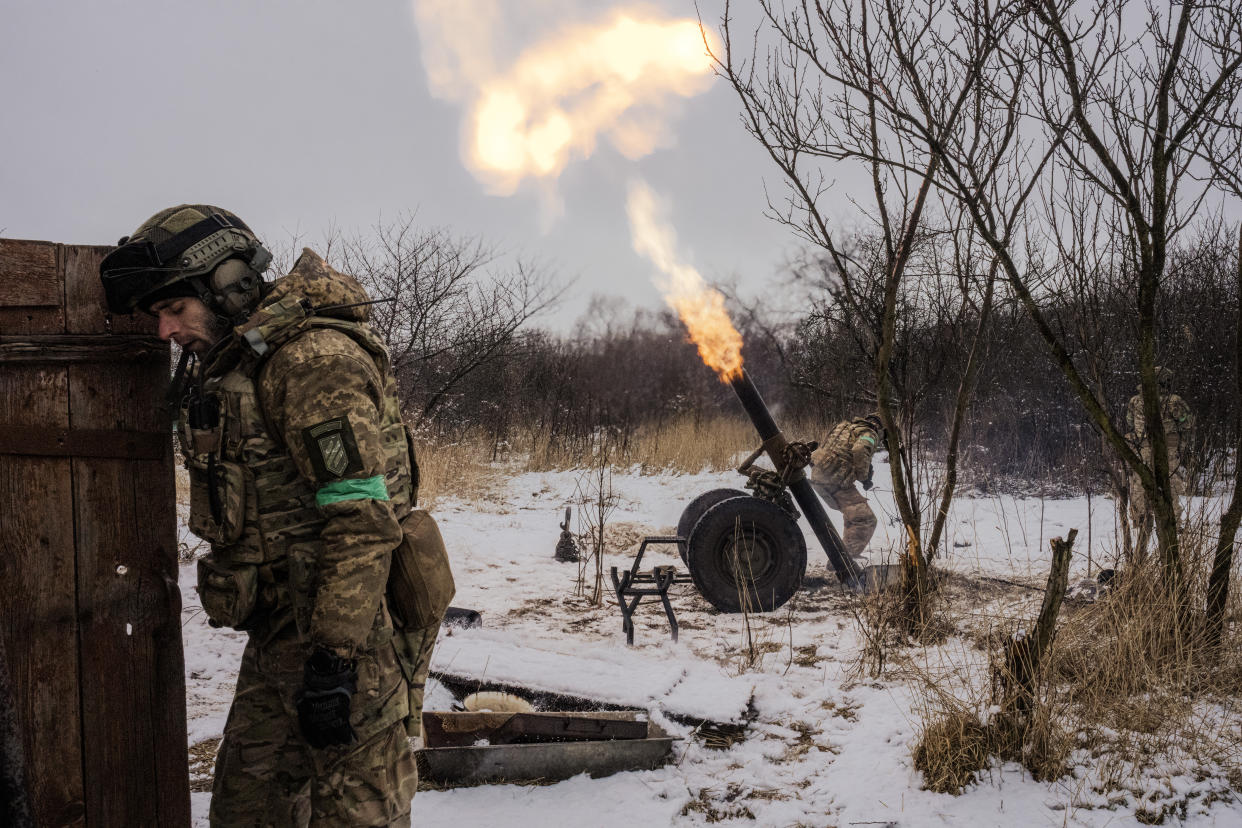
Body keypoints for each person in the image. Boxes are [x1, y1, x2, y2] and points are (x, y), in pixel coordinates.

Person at [99, 205, 449, 827]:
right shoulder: (242, 360)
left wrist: (333, 664)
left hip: (350, 642)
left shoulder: (311, 361)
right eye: (157, 316)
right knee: (247, 812)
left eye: (174, 309)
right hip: (281, 635)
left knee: (356, 816)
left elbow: (361, 520)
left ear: (229, 281)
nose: (165, 332)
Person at [1125, 366, 1194, 557]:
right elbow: (1187, 422)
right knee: (1170, 486)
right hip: (1167, 450)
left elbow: (1130, 423)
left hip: (1142, 449)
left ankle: (1140, 519)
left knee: (1140, 484)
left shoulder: (1136, 401)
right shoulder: (1174, 401)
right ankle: (1172, 523)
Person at [809, 413, 884, 567]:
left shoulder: (843, 426)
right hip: (835, 480)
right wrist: (864, 478)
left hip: (820, 475)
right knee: (866, 519)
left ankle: (844, 553)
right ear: (877, 426)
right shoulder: (870, 432)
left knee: (853, 516)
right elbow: (859, 449)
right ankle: (845, 561)